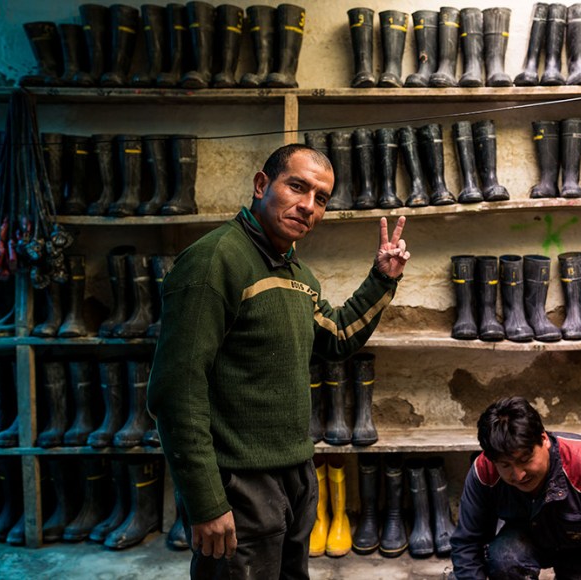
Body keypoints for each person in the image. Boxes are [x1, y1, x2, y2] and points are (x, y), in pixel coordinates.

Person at [147, 144, 410, 579]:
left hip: (294, 479)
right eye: (297, 187)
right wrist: (207, 500)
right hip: (240, 485)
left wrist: (383, 277)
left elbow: (338, 337)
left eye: (321, 198)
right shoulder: (214, 262)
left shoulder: (297, 276)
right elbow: (176, 391)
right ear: (261, 184)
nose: (308, 206)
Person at [450, 396, 581, 579]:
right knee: (504, 557)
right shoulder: (485, 472)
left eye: (525, 460)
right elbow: (467, 544)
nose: (518, 475)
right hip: (528, 540)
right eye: (505, 465)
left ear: (543, 439)